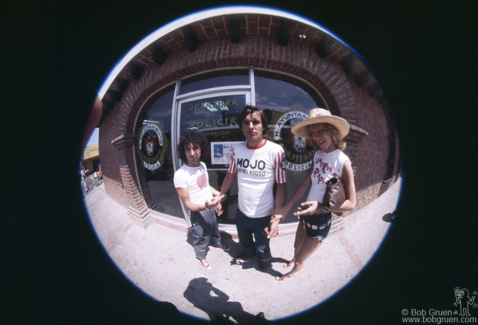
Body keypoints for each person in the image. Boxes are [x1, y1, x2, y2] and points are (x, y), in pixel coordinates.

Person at [269, 108, 356, 281]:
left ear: (332, 131)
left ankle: (290, 274)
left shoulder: (342, 161)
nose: (317, 136)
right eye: (313, 132)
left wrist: (321, 206)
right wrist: (286, 208)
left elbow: (352, 203)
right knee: (296, 246)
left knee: (301, 259)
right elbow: (305, 184)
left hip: (321, 220)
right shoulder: (318, 155)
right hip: (305, 213)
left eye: (321, 130)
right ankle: (293, 258)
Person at [219, 105, 287, 272]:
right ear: (241, 127)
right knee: (244, 240)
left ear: (263, 125)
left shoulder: (276, 151)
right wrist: (220, 197)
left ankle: (265, 259)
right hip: (242, 212)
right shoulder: (238, 149)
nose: (251, 127)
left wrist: (276, 217)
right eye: (246, 123)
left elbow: (281, 185)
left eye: (256, 122)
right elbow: (230, 176)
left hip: (263, 215)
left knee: (263, 245)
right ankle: (249, 251)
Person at [174, 131, 229, 269]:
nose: (192, 153)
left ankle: (217, 243)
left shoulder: (202, 165)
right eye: (188, 149)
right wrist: (205, 207)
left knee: (215, 228)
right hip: (198, 212)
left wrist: (218, 196)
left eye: (195, 148)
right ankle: (201, 256)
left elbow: (205, 185)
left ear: (202, 148)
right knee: (201, 236)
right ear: (183, 152)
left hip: (210, 206)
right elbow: (187, 203)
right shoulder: (180, 174)